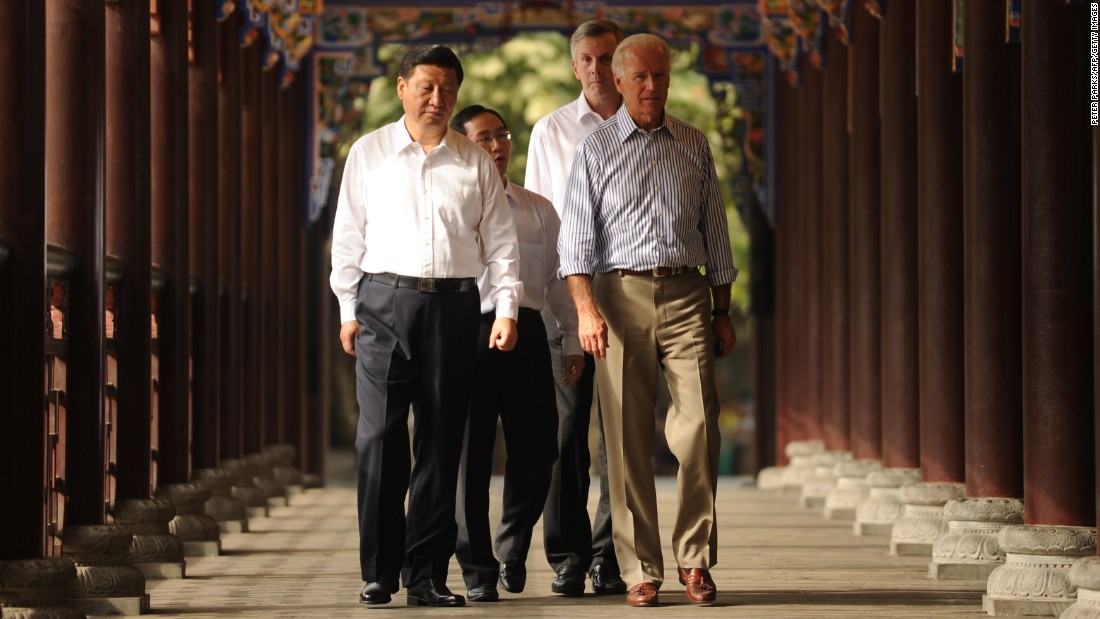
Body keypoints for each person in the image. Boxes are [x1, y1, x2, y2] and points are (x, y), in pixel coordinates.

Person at [329, 45, 521, 609]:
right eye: (427, 87)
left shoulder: (474, 161)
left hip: (455, 310)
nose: (437, 99)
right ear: (402, 87)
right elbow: (348, 238)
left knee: (441, 443)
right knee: (381, 440)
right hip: (383, 305)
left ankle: (426, 575)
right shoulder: (368, 154)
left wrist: (505, 309)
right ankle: (378, 572)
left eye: (447, 89)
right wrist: (346, 308)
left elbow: (502, 245)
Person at [557, 33, 737, 608]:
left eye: (660, 75)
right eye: (641, 77)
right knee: (626, 437)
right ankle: (640, 569)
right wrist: (586, 311)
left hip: (687, 292)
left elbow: (717, 229)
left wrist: (723, 307)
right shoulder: (595, 148)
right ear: (617, 79)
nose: (652, 86)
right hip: (618, 295)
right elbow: (577, 243)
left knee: (700, 428)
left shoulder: (693, 143)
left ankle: (695, 558)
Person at [448, 105, 584, 603]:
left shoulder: (538, 209)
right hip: (467, 332)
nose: (497, 146)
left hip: (525, 331)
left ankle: (510, 545)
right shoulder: (449, 204)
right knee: (469, 456)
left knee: (539, 448)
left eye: (502, 135)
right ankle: (477, 567)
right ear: (461, 145)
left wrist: (570, 339)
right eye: (483, 138)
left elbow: (555, 283)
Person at [524, 18, 628, 597]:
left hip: (631, 297)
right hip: (567, 300)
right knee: (566, 433)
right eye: (586, 59)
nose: (597, 67)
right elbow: (543, 227)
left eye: (606, 56)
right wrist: (558, 313)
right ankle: (566, 553)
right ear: (574, 66)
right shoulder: (552, 130)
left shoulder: (643, 125)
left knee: (620, 435)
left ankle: (609, 554)